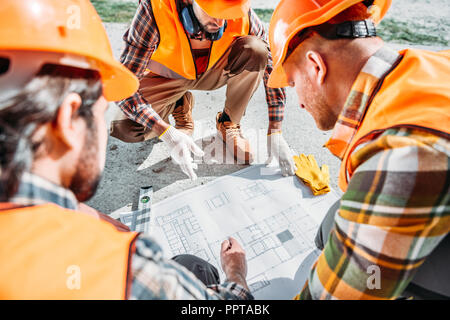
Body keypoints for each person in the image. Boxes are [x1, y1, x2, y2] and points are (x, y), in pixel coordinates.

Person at [0, 0, 251, 300]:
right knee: (194, 269)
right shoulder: (126, 269)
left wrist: (73, 212)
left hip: (199, 75)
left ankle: (181, 99)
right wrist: (236, 272)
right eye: (99, 110)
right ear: (68, 120)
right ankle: (175, 100)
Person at [268, 0, 450, 299]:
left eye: (292, 82)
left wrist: (237, 283)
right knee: (335, 223)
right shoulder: (432, 67)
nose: (298, 101)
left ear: (316, 66)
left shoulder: (401, 153)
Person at [110, 0, 297, 180]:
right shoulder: (154, 10)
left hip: (212, 71)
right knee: (126, 128)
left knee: (257, 50)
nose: (220, 23)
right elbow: (123, 85)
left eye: (226, 15)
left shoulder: (240, 11)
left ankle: (228, 123)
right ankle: (177, 102)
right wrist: (165, 131)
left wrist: (275, 130)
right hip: (166, 77)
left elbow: (272, 66)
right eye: (214, 13)